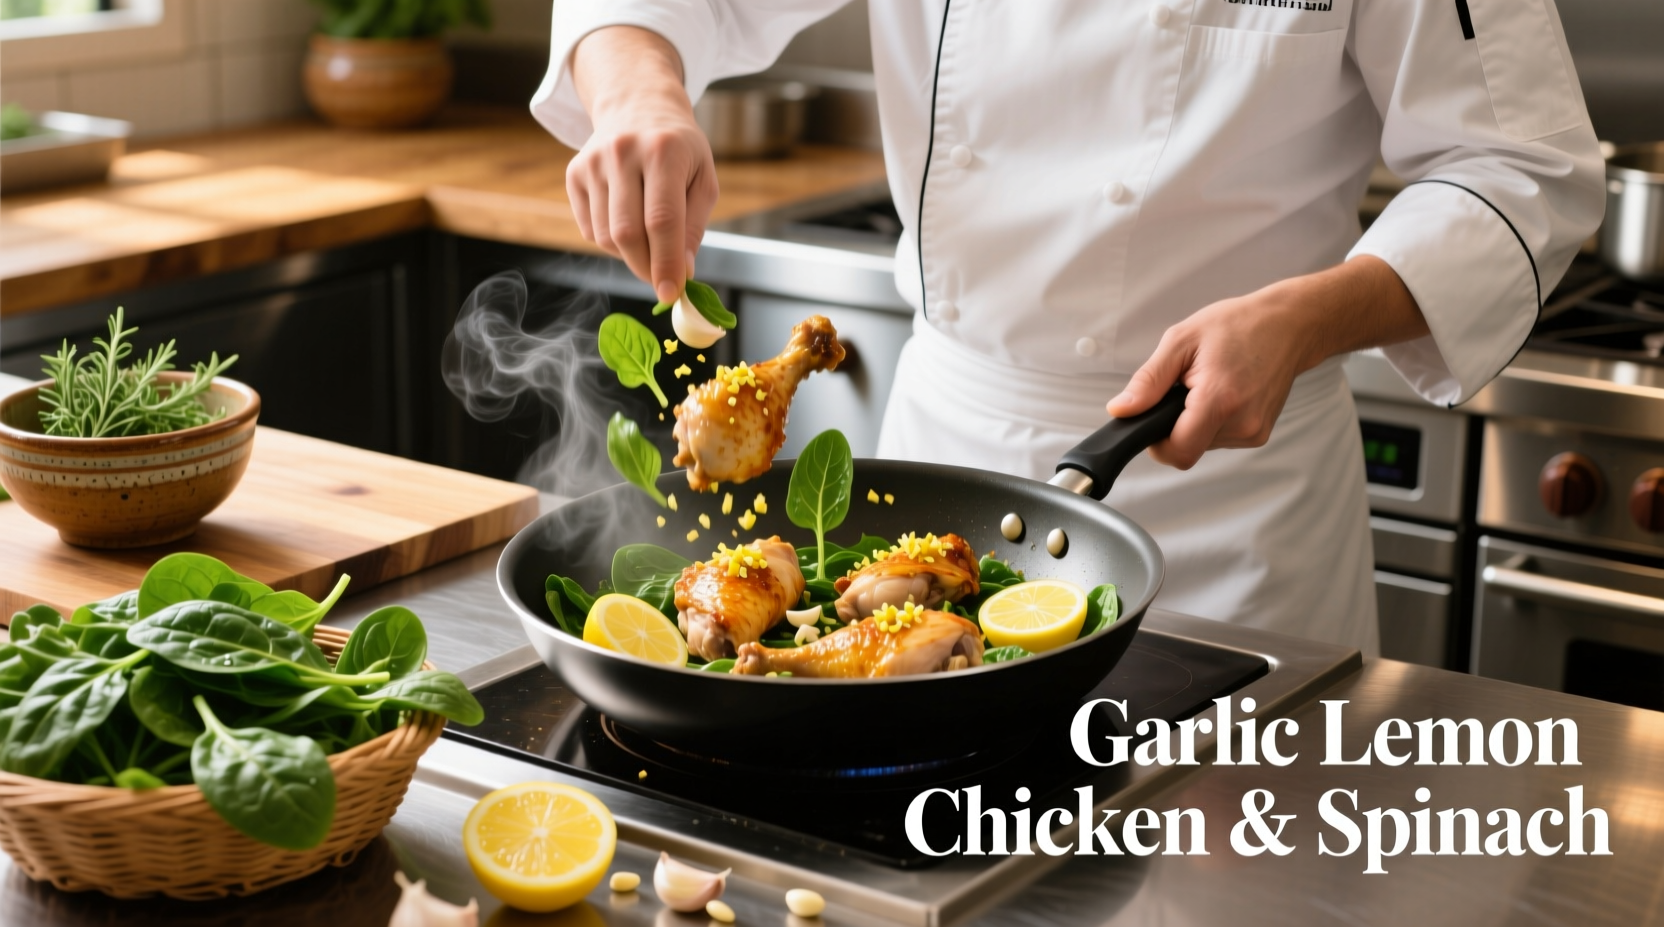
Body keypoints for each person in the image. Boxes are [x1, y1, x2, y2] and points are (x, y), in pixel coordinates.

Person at [531, 1, 1603, 654]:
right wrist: (639, 99)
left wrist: (1306, 314)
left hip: (1231, 507)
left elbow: (1522, 169)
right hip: (947, 461)